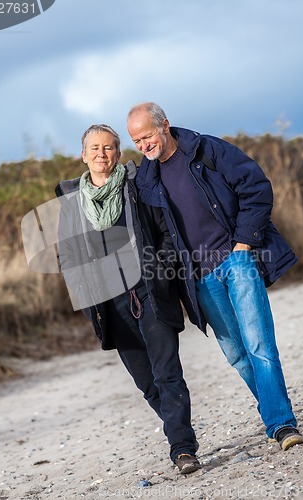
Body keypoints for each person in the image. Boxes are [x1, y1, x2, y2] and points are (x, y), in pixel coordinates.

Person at [127, 102, 303, 451]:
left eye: (147, 136)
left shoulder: (206, 149)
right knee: (237, 354)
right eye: (137, 141)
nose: (144, 145)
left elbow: (255, 186)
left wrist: (244, 242)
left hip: (236, 260)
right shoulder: (146, 180)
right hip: (198, 279)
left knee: (259, 345)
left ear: (165, 125)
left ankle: (282, 423)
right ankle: (274, 410)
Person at [55, 124, 200, 474]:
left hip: (149, 292)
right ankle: (178, 430)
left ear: (118, 154)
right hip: (110, 306)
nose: (101, 154)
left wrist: (161, 267)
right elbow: (67, 256)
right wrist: (88, 298)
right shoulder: (73, 203)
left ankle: (182, 448)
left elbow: (165, 231)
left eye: (108, 148)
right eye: (95, 148)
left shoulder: (136, 187)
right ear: (83, 154)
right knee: (147, 384)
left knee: (167, 373)